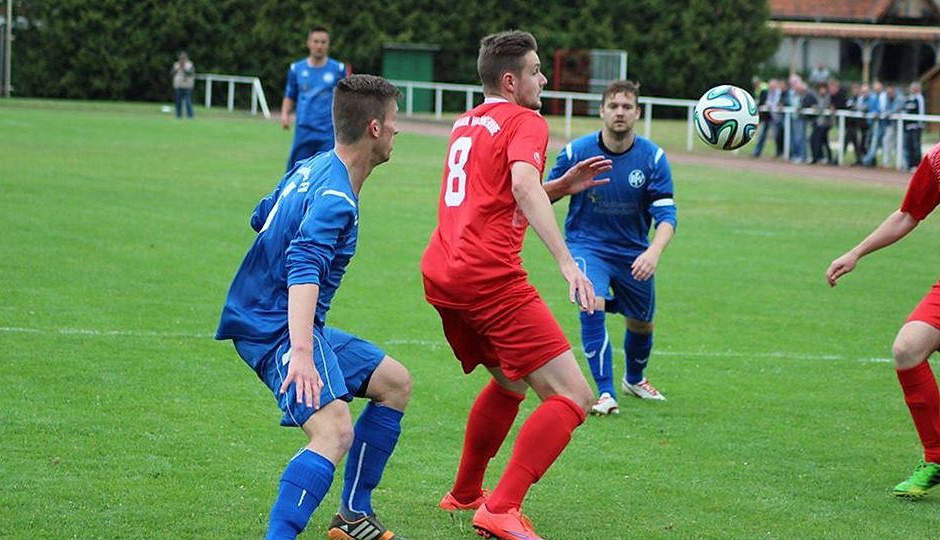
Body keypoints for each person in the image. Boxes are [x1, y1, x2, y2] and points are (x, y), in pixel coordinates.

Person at [216, 74, 410, 540]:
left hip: (280, 319)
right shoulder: (338, 197)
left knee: (395, 383)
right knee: (334, 432)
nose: (399, 130)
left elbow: (261, 215)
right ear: (375, 129)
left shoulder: (314, 165)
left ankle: (352, 516)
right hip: (276, 330)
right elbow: (304, 264)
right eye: (395, 120)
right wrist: (301, 352)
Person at [420, 30, 596, 540]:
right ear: (510, 80)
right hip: (488, 277)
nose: (544, 80)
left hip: (442, 271)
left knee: (510, 381)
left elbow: (494, 192)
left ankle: (465, 493)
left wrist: (558, 188)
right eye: (538, 72)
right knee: (573, 396)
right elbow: (518, 184)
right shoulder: (526, 121)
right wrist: (567, 262)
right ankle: (501, 508)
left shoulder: (468, 121)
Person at [544, 80, 677, 414]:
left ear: (637, 113)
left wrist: (653, 252)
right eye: (614, 106)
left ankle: (634, 379)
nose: (620, 112)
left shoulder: (653, 158)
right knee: (592, 304)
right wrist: (563, 184)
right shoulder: (577, 152)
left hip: (634, 251)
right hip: (587, 245)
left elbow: (666, 215)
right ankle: (605, 392)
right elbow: (541, 194)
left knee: (642, 324)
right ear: (602, 110)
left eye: (627, 106)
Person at [827, 142, 940, 499]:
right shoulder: (938, 160)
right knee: (908, 348)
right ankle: (936, 457)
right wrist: (856, 252)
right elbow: (908, 214)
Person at [282, 26, 348, 172]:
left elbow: (346, 98)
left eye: (323, 42)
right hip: (303, 130)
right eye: (316, 41)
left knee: (325, 173)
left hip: (328, 132)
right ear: (309, 43)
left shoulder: (338, 69)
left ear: (328, 44)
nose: (319, 46)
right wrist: (285, 115)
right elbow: (290, 94)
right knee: (296, 173)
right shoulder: (296, 69)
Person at [904, 82, 926, 171]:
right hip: (908, 126)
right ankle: (910, 164)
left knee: (916, 146)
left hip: (916, 126)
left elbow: (921, 111)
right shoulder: (908, 99)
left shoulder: (919, 99)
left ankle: (917, 165)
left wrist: (920, 123)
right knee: (908, 145)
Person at [171, 51, 195, 119]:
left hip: (187, 86)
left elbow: (190, 73)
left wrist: (183, 68)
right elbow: (172, 73)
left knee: (188, 101)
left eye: (183, 58)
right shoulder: (176, 64)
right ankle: (178, 115)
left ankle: (190, 116)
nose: (182, 59)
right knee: (178, 102)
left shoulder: (190, 64)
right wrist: (178, 68)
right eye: (181, 58)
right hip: (178, 86)